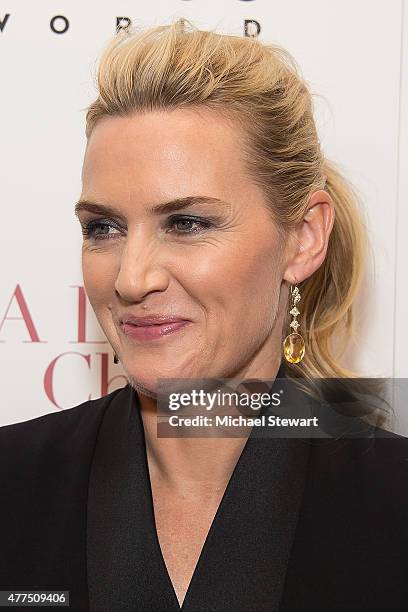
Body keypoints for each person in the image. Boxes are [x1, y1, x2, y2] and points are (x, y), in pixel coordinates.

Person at [1, 18, 408, 612]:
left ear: (302, 238)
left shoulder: (393, 502)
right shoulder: (12, 484)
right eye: (104, 228)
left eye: (188, 223)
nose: (132, 278)